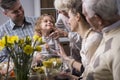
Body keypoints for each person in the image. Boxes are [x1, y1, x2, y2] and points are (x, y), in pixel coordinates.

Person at [58, 0, 102, 79]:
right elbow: (87, 71)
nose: (68, 21)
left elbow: (93, 77)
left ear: (77, 17)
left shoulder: (93, 40)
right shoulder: (86, 38)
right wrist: (69, 76)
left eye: (70, 17)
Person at [82, 0, 120, 79]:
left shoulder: (117, 45)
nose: (86, 20)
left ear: (98, 19)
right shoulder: (108, 32)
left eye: (85, 15)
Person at [0, 0, 37, 74]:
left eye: (20, 7)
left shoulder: (37, 21)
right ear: (5, 13)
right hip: (19, 74)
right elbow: (2, 59)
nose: (20, 12)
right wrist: (30, 60)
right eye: (15, 11)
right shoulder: (2, 32)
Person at [53, 0, 82, 76]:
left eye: (62, 11)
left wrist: (66, 34)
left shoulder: (81, 15)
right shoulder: (61, 15)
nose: (59, 12)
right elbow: (57, 27)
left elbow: (83, 36)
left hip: (87, 51)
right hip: (75, 53)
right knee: (76, 73)